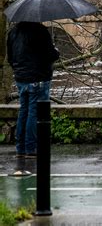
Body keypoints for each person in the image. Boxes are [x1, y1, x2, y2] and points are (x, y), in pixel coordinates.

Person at [7, 22, 60, 158]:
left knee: (24, 111)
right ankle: (31, 148)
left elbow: (11, 57)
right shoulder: (40, 31)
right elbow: (50, 55)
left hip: (21, 78)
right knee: (34, 112)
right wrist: (56, 51)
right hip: (38, 78)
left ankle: (21, 148)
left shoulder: (14, 32)